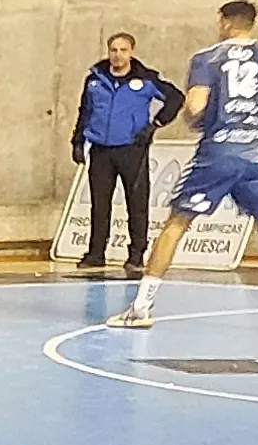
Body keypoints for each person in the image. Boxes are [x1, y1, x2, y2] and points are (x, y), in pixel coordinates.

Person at [117, 0, 258, 337]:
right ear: (252, 23)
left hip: (218, 153)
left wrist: (193, 119)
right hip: (257, 158)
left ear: (224, 22)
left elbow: (195, 105)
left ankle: (141, 307)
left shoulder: (207, 58)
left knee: (176, 224)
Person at [71, 30, 183, 274]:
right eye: (113, 50)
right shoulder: (94, 78)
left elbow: (175, 98)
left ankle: (136, 254)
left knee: (137, 202)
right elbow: (85, 111)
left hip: (132, 149)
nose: (117, 55)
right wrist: (78, 141)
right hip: (101, 149)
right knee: (99, 203)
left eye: (123, 50)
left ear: (131, 52)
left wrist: (155, 125)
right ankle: (96, 252)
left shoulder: (146, 79)